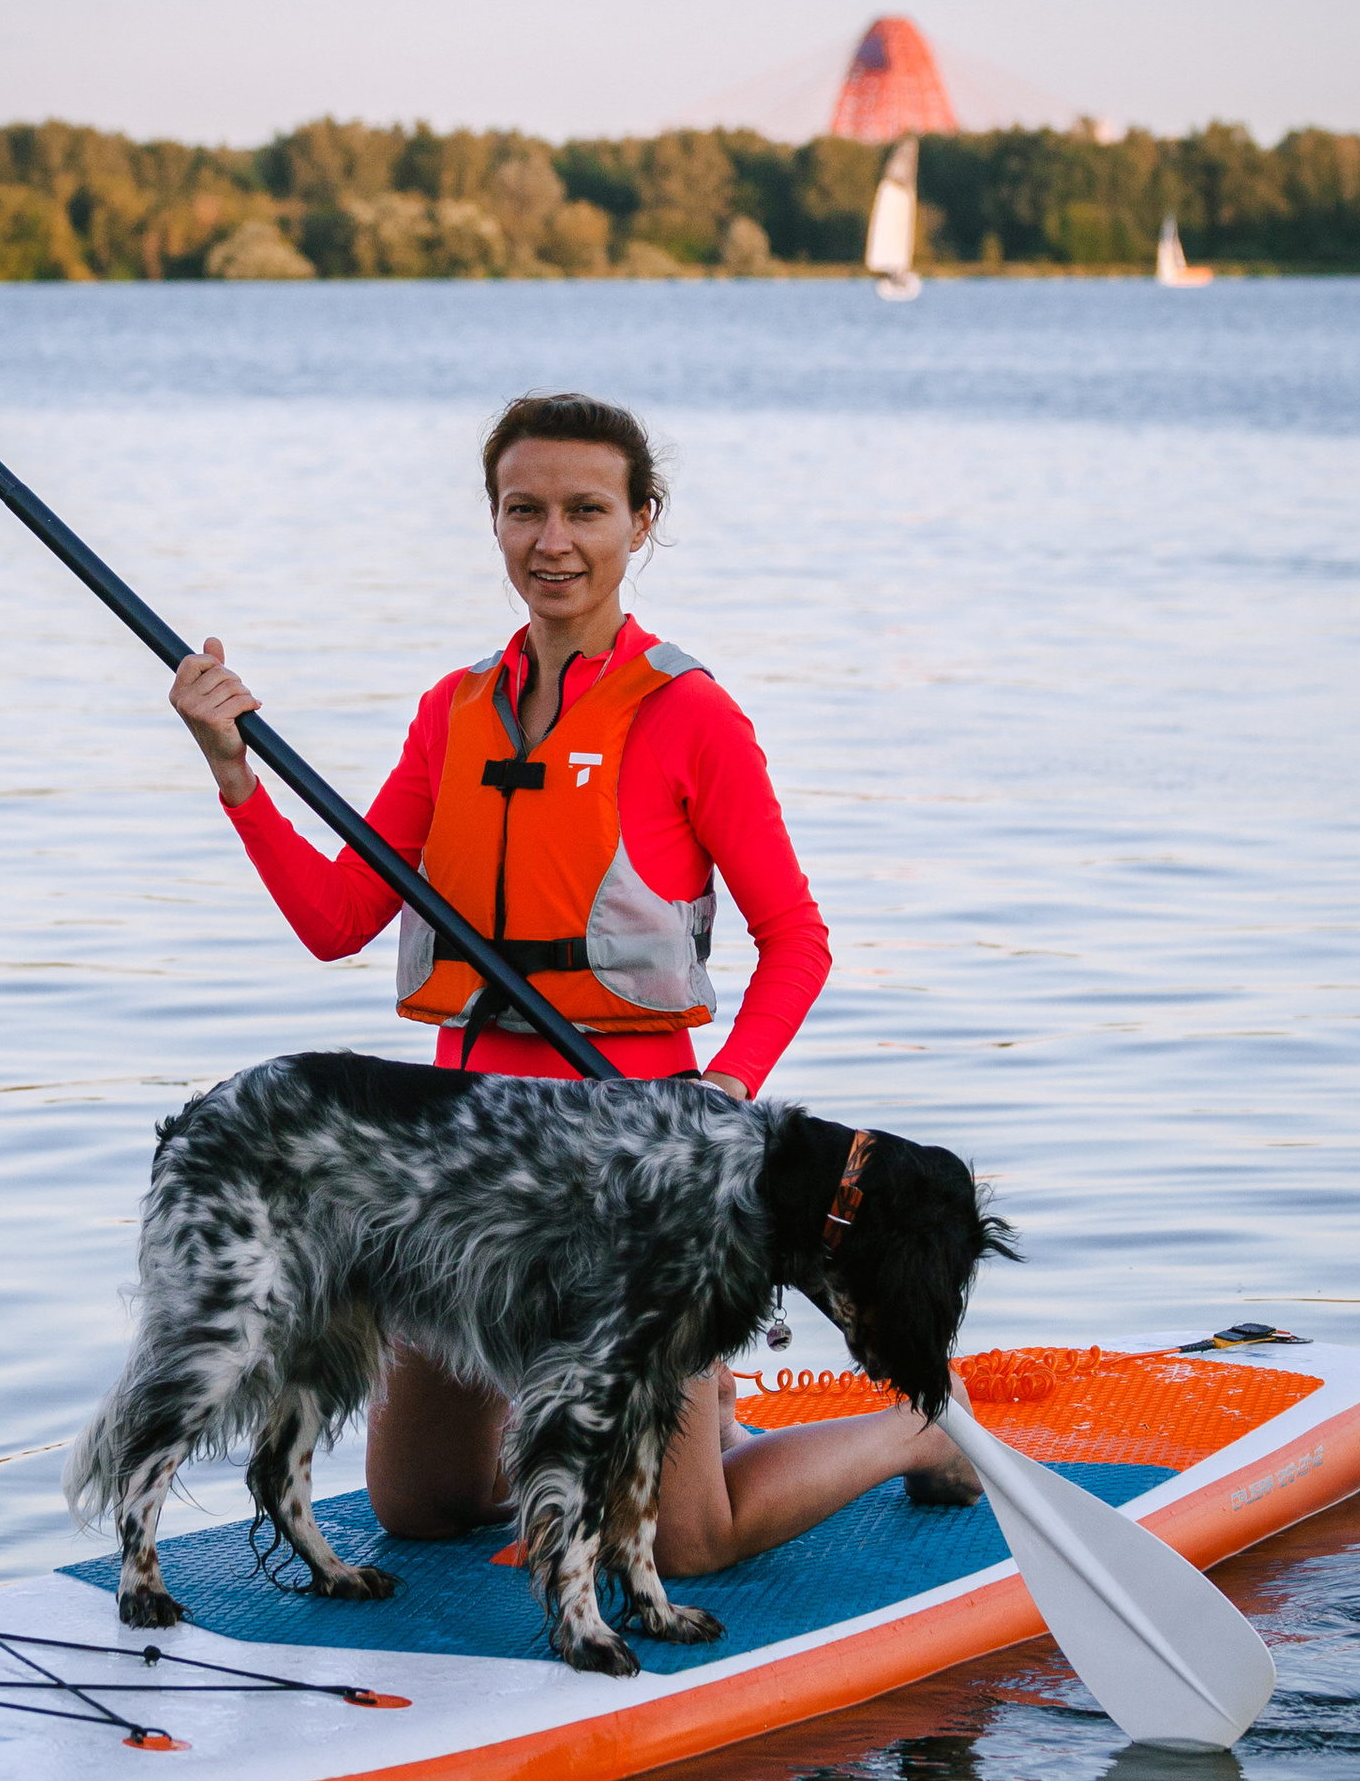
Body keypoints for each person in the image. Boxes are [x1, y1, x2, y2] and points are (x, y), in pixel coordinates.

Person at [169, 387, 972, 1572]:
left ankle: (914, 1430)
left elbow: (796, 943)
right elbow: (336, 920)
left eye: (587, 510)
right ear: (493, 523)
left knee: (690, 1541)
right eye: (524, 510)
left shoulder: (692, 718)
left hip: (638, 1162)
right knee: (422, 1507)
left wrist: (723, 1096)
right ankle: (676, 1422)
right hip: (463, 1169)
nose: (554, 541)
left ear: (640, 523)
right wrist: (235, 774)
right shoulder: (453, 715)